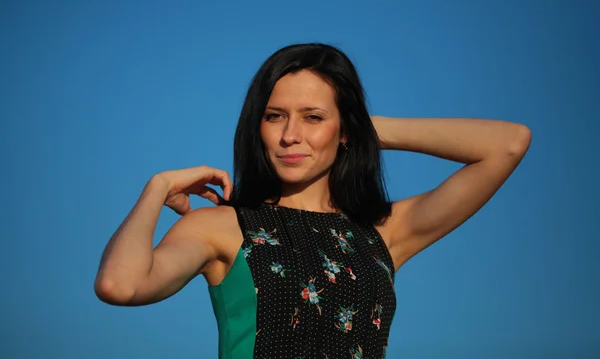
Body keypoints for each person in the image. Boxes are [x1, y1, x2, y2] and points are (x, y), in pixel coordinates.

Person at [94, 43, 531, 358]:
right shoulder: (220, 227)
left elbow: (508, 143)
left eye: (313, 117)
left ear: (344, 131)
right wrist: (156, 187)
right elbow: (121, 285)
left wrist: (364, 128)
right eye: (274, 116)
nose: (289, 135)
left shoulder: (383, 233)